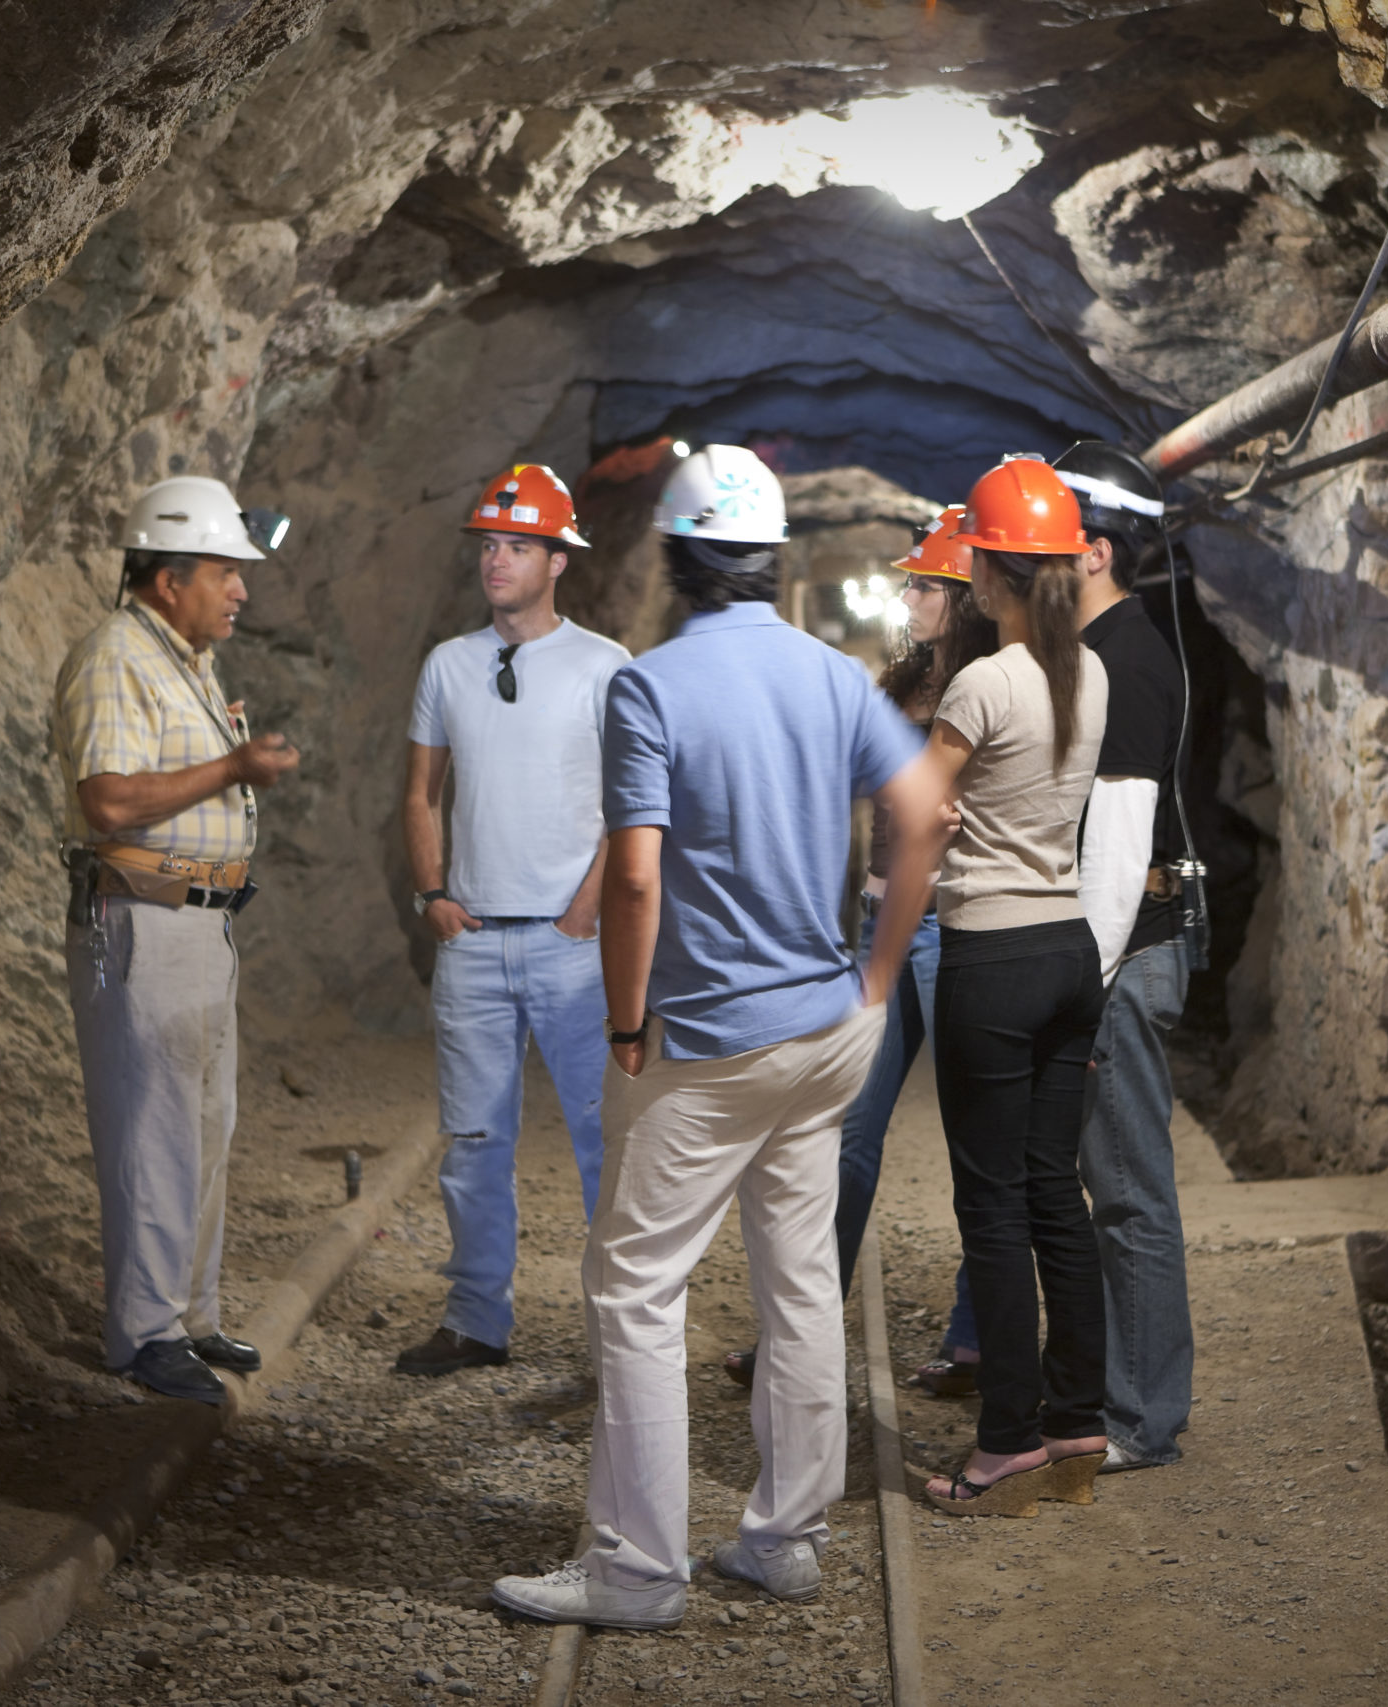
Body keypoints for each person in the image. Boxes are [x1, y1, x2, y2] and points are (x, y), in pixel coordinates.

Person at [492, 444, 948, 1628]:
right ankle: (786, 1540)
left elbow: (634, 878)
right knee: (799, 1283)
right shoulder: (836, 677)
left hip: (705, 1038)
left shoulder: (648, 687)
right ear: (770, 557)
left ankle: (636, 1570)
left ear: (679, 559)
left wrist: (628, 1018)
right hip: (822, 1028)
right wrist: (880, 973)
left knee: (637, 1287)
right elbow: (923, 814)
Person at [723, 507, 997, 1392]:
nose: (909, 594)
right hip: (883, 920)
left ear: (963, 592)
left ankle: (974, 1339)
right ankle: (795, 1338)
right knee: (843, 1136)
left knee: (977, 1145)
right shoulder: (900, 682)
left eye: (924, 582)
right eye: (910, 581)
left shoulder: (991, 684)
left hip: (956, 924)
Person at [53, 475, 300, 1404]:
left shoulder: (183, 660)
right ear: (169, 579)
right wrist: (234, 766)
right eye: (226, 573)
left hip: (199, 923)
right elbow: (107, 799)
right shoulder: (118, 655)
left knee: (204, 1125)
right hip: (142, 920)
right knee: (154, 1129)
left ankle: (190, 1317)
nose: (241, 590)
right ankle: (144, 1334)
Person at [398, 463, 630, 1377]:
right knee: (473, 1139)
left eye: (518, 546)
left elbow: (634, 803)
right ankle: (476, 1322)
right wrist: (435, 897)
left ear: (557, 560)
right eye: (490, 545)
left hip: (572, 947)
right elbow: (420, 792)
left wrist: (584, 910)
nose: (497, 561)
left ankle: (618, 1334)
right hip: (475, 941)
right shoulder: (448, 665)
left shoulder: (603, 665)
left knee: (597, 1141)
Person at [920, 455, 1111, 1515]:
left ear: (989, 576)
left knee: (990, 1208)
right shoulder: (1089, 673)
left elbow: (917, 805)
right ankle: (1077, 1416)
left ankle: (1005, 1443)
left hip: (991, 955)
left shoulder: (982, 681)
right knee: (1054, 1197)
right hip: (1068, 951)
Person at [1053, 440, 1196, 1473]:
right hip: (1117, 949)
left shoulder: (1125, 663)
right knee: (1104, 1189)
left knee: (1131, 1192)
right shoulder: (1102, 653)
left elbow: (1117, 850)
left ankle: (1141, 1419)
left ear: (1093, 552)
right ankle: (1112, 1396)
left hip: (1125, 954)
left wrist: (1079, 987)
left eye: (1045, 542)